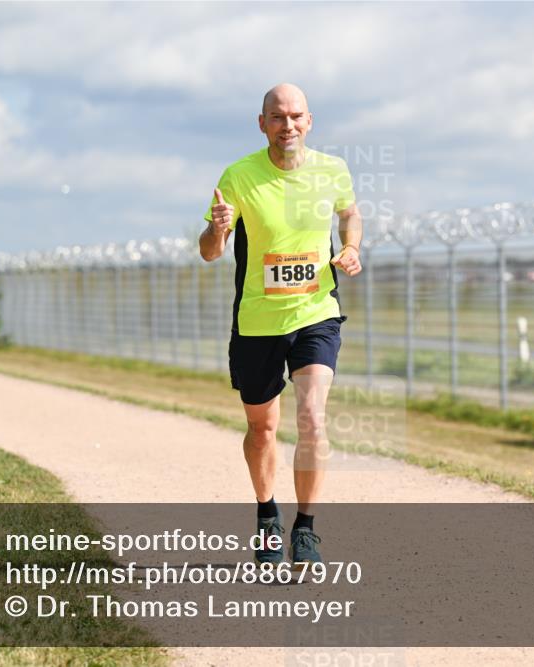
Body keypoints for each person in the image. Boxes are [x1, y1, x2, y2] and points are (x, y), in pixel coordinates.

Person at [199, 83, 362, 565]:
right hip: (257, 322)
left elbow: (350, 212)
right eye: (277, 117)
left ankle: (306, 529)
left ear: (308, 121)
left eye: (295, 116)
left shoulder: (332, 169)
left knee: (312, 418)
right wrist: (219, 226)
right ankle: (267, 516)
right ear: (262, 123)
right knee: (263, 428)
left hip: (316, 313)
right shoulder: (239, 175)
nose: (287, 125)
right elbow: (210, 252)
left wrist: (351, 247)